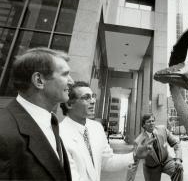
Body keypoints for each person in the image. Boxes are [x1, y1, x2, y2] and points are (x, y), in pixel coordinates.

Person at [0, 47, 74, 180]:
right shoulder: (4, 132)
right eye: (65, 74)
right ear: (39, 80)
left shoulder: (51, 122)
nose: (71, 81)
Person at [60, 81, 153, 181]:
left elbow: (107, 161)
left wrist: (134, 155)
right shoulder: (59, 134)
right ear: (69, 104)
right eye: (86, 97)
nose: (93, 101)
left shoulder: (96, 127)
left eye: (93, 96)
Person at [135, 113, 183, 181]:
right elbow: (135, 158)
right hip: (151, 168)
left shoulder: (163, 129)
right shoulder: (139, 140)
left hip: (166, 161)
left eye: (153, 121)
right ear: (143, 125)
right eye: (148, 122)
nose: (151, 123)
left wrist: (178, 159)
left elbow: (176, 143)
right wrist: (139, 154)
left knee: (178, 169)